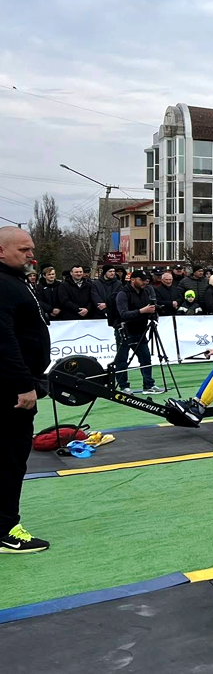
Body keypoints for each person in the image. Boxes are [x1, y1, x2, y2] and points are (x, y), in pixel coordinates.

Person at [0, 227, 52, 552]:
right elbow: (3, 340)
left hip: (15, 385)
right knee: (11, 459)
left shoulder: (15, 281)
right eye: (23, 250)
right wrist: (23, 385)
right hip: (11, 391)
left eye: (31, 249)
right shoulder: (4, 285)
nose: (31, 256)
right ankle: (6, 528)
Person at [110, 269, 164, 395]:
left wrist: (153, 312)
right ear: (133, 280)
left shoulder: (146, 292)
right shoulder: (122, 294)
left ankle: (149, 384)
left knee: (145, 358)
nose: (144, 282)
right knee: (122, 359)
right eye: (141, 280)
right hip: (125, 331)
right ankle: (124, 386)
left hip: (141, 329)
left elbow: (150, 307)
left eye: (146, 280)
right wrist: (142, 311)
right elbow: (123, 314)